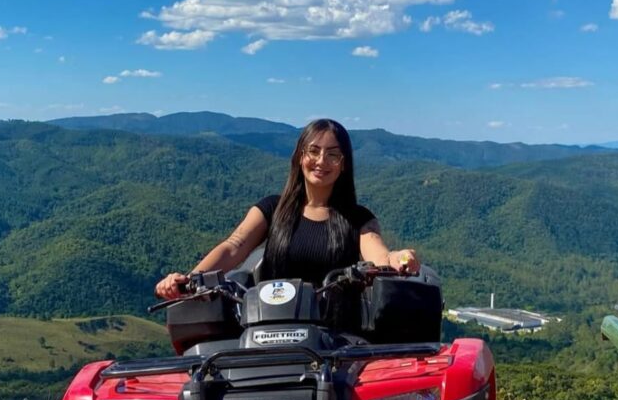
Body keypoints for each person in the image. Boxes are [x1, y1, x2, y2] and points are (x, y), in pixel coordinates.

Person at [155, 118, 420, 300]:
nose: (321, 161)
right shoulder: (272, 208)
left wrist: (399, 258)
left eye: (332, 155)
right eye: (313, 151)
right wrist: (188, 280)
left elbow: (380, 256)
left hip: (336, 343)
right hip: (266, 333)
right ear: (299, 156)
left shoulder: (358, 218)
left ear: (344, 164)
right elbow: (234, 246)